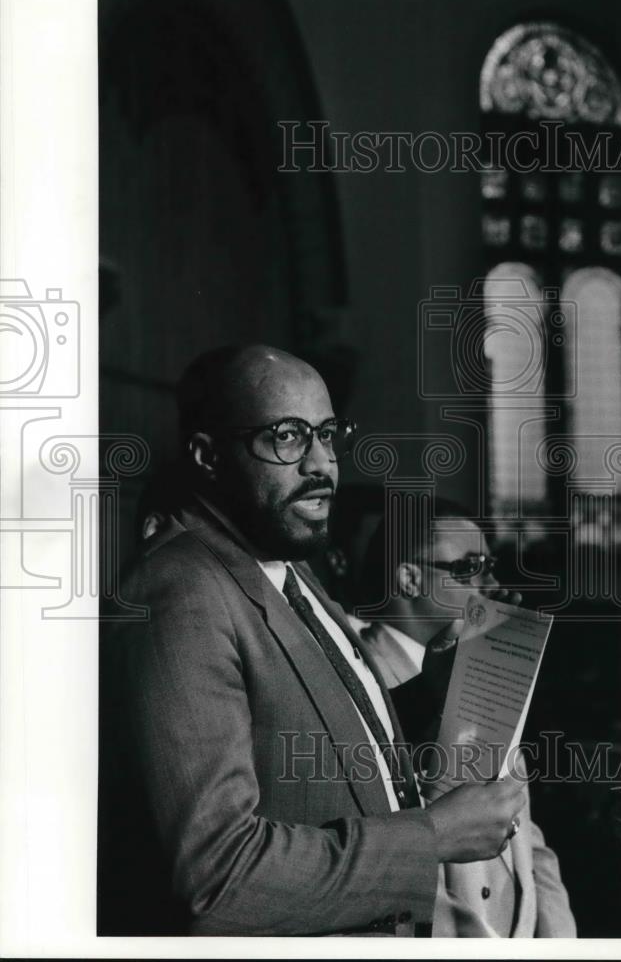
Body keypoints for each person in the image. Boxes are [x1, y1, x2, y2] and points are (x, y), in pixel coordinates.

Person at [98, 344, 531, 937]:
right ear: (207, 456)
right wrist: (433, 836)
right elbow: (218, 878)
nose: (322, 464)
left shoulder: (283, 564)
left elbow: (313, 749)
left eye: (327, 435)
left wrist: (440, 697)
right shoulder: (184, 592)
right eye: (287, 437)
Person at [357, 500, 577, 937]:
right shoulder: (360, 681)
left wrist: (558, 937)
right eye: (470, 566)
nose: (491, 582)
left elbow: (526, 835)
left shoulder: (485, 665)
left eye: (490, 564)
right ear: (410, 577)